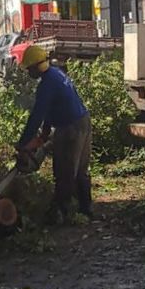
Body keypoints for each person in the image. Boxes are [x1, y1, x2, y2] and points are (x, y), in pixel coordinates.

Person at [16, 46, 93, 222]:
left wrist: (23, 143)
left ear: (37, 66)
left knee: (64, 171)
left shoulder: (46, 84)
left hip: (70, 127)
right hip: (83, 120)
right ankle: (85, 209)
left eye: (29, 68)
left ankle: (62, 213)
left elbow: (37, 114)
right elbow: (52, 107)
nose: (28, 72)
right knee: (81, 170)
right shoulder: (56, 74)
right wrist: (44, 132)